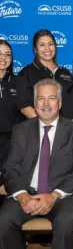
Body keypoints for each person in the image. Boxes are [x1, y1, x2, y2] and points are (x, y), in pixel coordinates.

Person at [0, 78, 73, 249]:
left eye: (52, 98)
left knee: (67, 222)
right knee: (3, 221)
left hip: (62, 195)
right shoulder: (20, 130)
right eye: (41, 98)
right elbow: (10, 167)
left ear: (60, 103)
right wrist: (22, 195)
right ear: (35, 103)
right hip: (26, 192)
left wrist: (54, 195)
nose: (46, 103)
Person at [18, 29, 73, 119]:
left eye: (50, 44)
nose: (47, 48)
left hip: (66, 129)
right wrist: (46, 125)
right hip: (39, 129)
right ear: (35, 49)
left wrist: (69, 126)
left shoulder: (65, 73)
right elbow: (24, 107)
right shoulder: (26, 73)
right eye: (42, 45)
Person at [0, 40, 25, 174]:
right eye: (0, 54)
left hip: (13, 142)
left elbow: (26, 110)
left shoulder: (19, 82)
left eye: (7, 54)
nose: (3, 58)